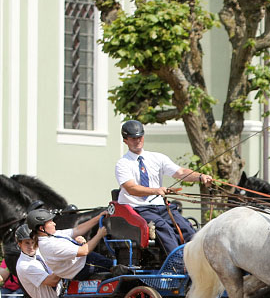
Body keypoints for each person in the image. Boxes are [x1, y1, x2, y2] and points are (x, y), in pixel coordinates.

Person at [114, 119, 213, 257]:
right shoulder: (123, 164)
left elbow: (180, 172)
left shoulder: (157, 158)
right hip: (139, 208)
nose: (137, 141)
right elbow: (131, 188)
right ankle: (177, 263)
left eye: (140, 137)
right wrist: (155, 190)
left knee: (186, 228)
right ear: (125, 140)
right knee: (164, 228)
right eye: (133, 138)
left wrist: (200, 176)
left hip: (161, 206)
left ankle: (199, 259)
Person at [28, 208, 116, 281]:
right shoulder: (50, 245)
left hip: (84, 262)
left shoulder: (52, 235)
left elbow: (77, 230)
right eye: (50, 222)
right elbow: (84, 251)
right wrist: (99, 235)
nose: (54, 224)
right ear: (41, 228)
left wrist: (98, 218)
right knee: (117, 269)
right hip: (84, 267)